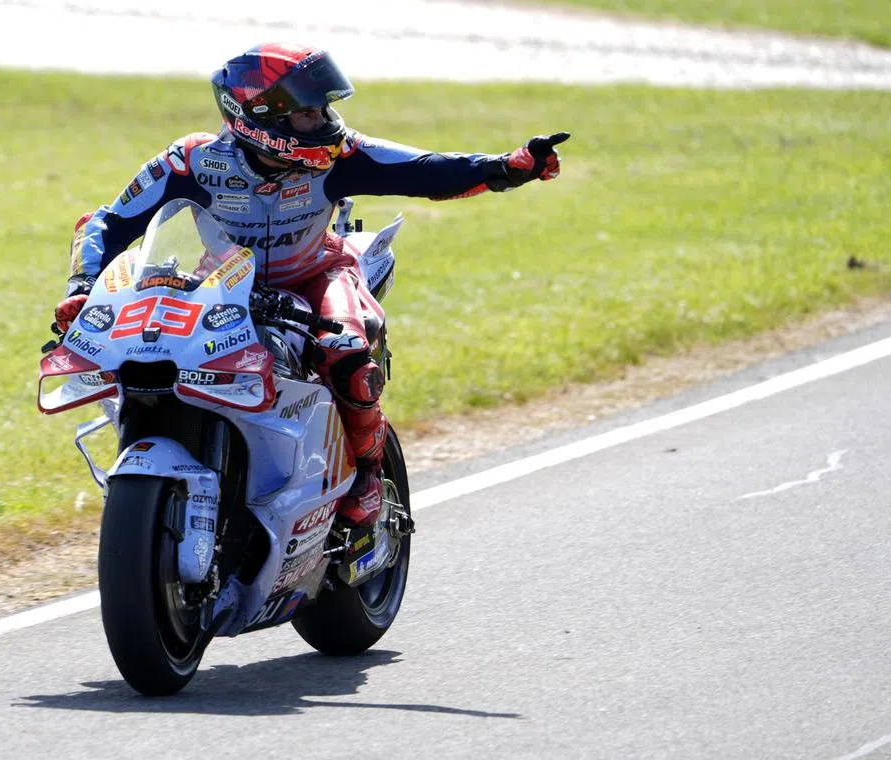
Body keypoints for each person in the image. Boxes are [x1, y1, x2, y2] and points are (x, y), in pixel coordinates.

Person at [54, 43, 569, 528]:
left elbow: (427, 170)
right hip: (218, 283)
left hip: (317, 273)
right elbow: (105, 222)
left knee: (345, 352)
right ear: (262, 117)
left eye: (324, 109)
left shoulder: (340, 156)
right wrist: (83, 288)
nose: (324, 122)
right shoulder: (190, 160)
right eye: (308, 113)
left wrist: (510, 166)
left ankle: (367, 474)